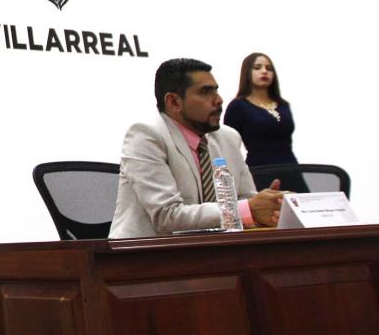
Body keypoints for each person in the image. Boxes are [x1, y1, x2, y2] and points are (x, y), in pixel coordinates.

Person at [110, 58, 285, 239]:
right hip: (143, 258)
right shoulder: (145, 136)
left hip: (212, 255)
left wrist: (268, 209)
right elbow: (167, 216)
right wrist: (247, 209)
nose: (218, 100)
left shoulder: (229, 138)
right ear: (174, 102)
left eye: (216, 90)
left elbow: (247, 201)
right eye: (205, 92)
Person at [224, 52, 308, 192]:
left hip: (291, 169)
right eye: (257, 67)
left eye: (269, 68)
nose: (264, 71)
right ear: (247, 73)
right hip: (260, 171)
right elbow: (228, 147)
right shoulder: (237, 106)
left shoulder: (283, 105)